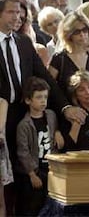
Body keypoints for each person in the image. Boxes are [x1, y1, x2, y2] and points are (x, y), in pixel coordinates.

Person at [0, 0, 84, 215]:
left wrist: (65, 108)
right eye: (11, 12)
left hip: (25, 116)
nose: (17, 17)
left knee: (26, 186)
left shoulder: (23, 42)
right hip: (0, 120)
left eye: (19, 12)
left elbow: (46, 80)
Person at [15, 77, 64, 216]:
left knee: (51, 206)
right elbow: (23, 152)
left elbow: (55, 130)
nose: (43, 101)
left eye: (45, 97)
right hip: (35, 172)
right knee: (33, 206)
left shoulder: (51, 115)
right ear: (28, 100)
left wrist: (58, 132)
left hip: (51, 169)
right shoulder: (24, 125)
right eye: (38, 97)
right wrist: (31, 174)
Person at [48, 10, 89, 99]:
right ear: (69, 34)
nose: (82, 34)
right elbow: (50, 88)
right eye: (77, 32)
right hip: (67, 108)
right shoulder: (58, 59)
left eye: (85, 30)